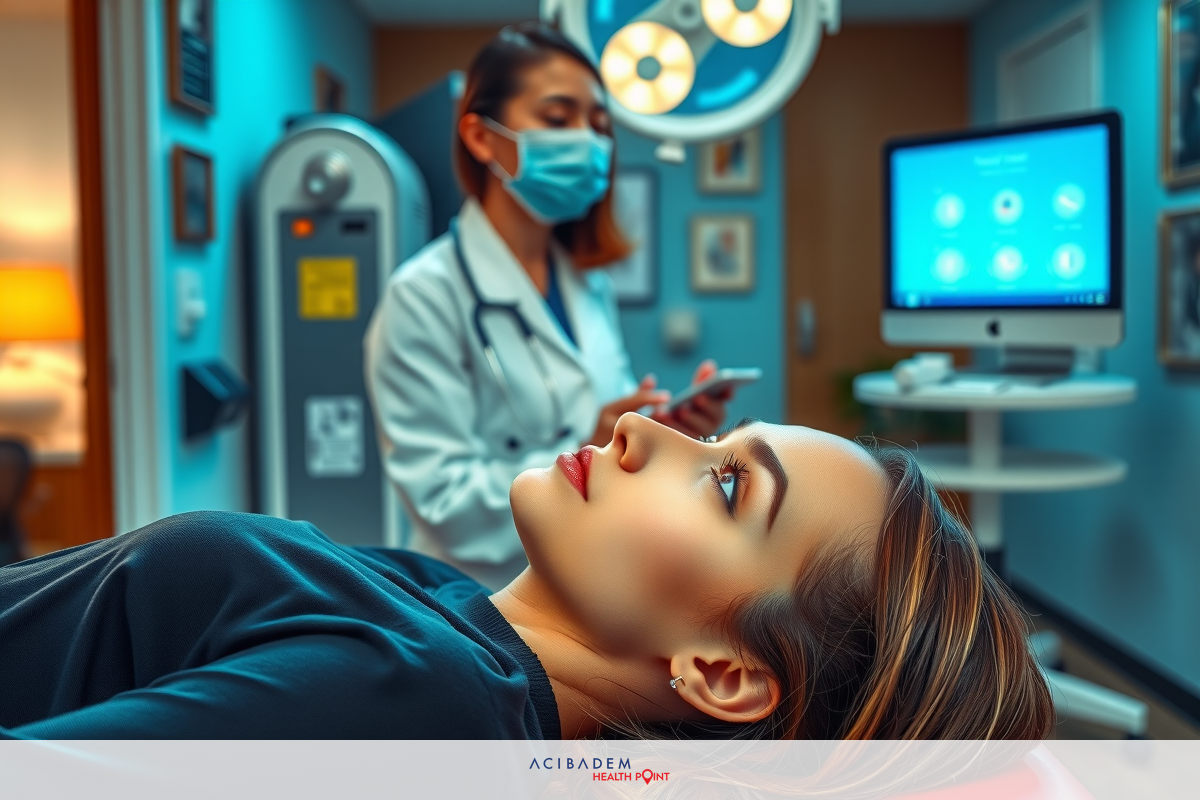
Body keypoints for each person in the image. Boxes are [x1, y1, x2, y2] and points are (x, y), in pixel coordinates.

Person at [0, 416, 1053, 740]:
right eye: (714, 438)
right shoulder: (448, 613)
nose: (640, 427)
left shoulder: (423, 700)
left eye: (728, 485)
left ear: (723, 671)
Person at [364, 23, 731, 590]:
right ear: (482, 137)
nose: (586, 141)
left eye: (599, 126)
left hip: (593, 577)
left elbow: (605, 424)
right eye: (558, 118)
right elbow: (445, 501)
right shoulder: (423, 295)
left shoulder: (588, 283)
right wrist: (588, 444)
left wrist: (658, 430)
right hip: (480, 598)